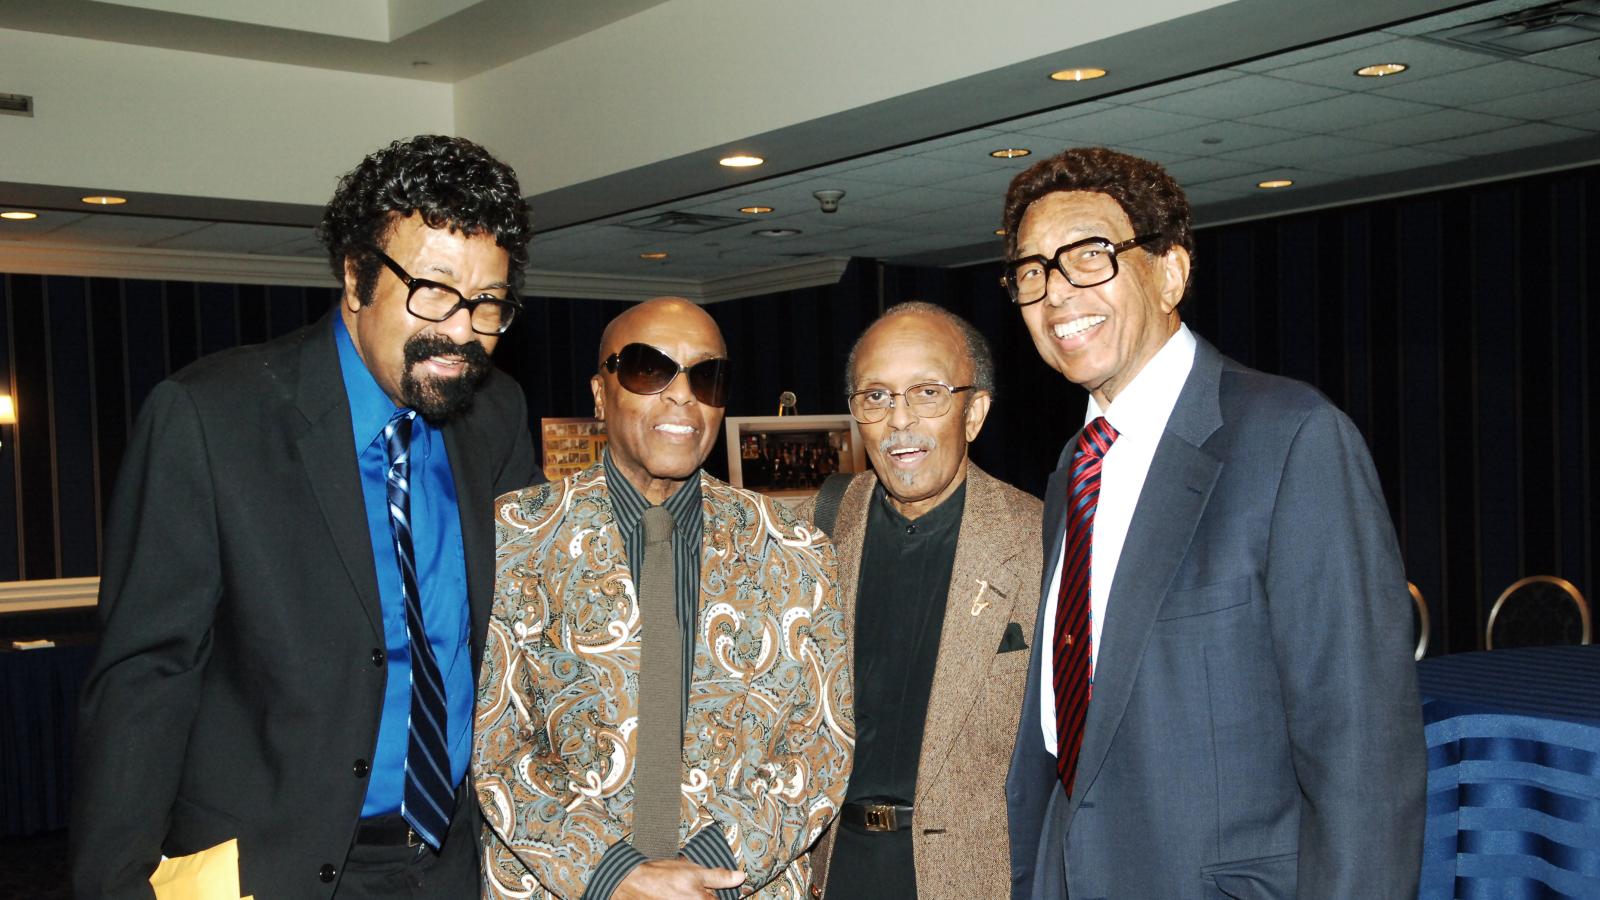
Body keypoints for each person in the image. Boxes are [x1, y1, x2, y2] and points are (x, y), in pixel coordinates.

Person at [72, 135, 540, 899]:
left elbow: (518, 639)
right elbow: (144, 682)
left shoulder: (496, 416)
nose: (461, 331)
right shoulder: (210, 417)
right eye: (434, 290)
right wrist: (113, 884)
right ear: (356, 276)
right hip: (273, 866)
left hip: (454, 862)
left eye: (488, 303)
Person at [1001, 147, 1425, 899]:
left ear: (1170, 272)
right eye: (1033, 271)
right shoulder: (1074, 465)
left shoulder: (1292, 439)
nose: (1058, 293)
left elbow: (1361, 754)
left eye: (1089, 256)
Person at [475, 297, 853, 900]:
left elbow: (822, 744)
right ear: (600, 393)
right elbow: (488, 742)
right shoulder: (511, 539)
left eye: (708, 376)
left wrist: (705, 869)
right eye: (649, 369)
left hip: (738, 886)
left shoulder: (795, 548)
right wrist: (611, 873)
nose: (683, 397)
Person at [800, 302, 1043, 899]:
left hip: (976, 877)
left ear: (975, 412)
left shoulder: (1041, 541)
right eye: (875, 397)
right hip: (831, 870)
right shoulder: (811, 534)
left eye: (927, 393)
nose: (899, 420)